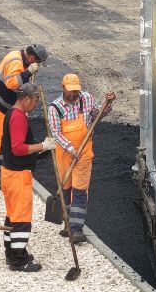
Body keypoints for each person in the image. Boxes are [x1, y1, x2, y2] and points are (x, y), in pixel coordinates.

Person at [49, 74, 116, 242]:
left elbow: (96, 116)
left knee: (79, 191)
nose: (73, 94)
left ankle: (76, 229)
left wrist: (107, 104)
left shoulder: (86, 98)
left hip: (84, 152)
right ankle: (68, 224)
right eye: (70, 91)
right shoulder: (55, 108)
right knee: (65, 189)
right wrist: (70, 148)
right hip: (65, 153)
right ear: (63, 87)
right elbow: (56, 133)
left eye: (76, 91)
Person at [3, 82, 52, 271]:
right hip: (17, 175)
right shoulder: (17, 117)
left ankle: (12, 252)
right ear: (26, 98)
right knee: (21, 218)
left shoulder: (14, 114)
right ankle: (18, 260)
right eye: (35, 101)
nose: (35, 105)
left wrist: (41, 148)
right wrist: (42, 147)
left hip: (9, 173)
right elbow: (18, 148)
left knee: (12, 215)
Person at [0, 44, 49, 186]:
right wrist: (27, 73)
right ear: (32, 57)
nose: (37, 65)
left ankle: (0, 170)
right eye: (37, 62)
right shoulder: (16, 61)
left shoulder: (21, 59)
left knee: (4, 138)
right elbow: (11, 83)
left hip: (5, 105)